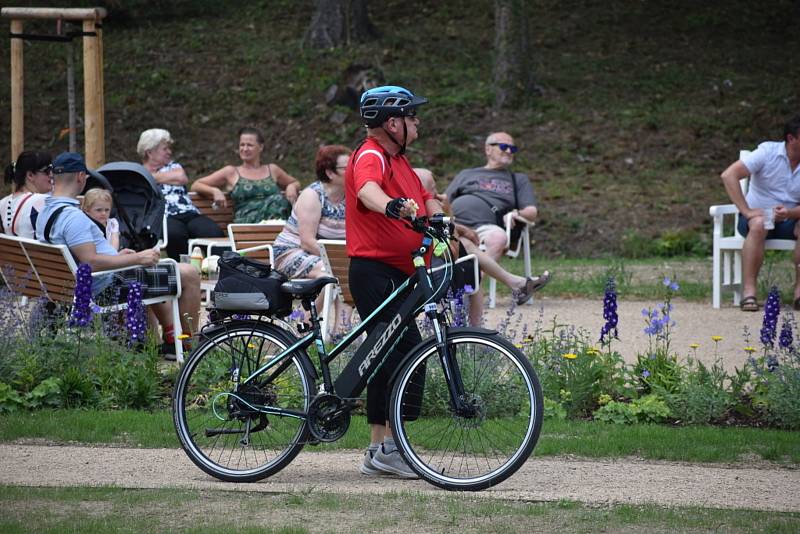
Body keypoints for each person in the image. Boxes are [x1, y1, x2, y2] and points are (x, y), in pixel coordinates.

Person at [346, 85, 442, 479]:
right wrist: (387, 204)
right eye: (411, 116)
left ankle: (379, 448)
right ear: (392, 123)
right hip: (375, 271)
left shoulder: (400, 161)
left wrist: (437, 216)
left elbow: (425, 196)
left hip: (398, 272)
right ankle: (388, 447)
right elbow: (367, 189)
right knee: (403, 354)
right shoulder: (371, 154)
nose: (417, 122)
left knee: (387, 356)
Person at [36, 152, 202, 360]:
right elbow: (92, 263)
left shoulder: (46, 211)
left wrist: (118, 255)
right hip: (106, 286)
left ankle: (166, 340)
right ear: (80, 176)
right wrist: (137, 258)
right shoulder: (73, 218)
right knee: (188, 273)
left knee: (156, 271)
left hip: (79, 282)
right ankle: (189, 345)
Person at [416, 168, 549, 325]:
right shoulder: (423, 207)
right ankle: (478, 327)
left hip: (481, 228)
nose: (438, 192)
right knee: (470, 262)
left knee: (471, 256)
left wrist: (452, 220)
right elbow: (452, 246)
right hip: (437, 264)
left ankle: (477, 328)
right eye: (434, 188)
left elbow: (448, 235)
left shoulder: (516, 178)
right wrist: (449, 216)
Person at [445, 132, 541, 319]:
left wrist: (516, 213)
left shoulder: (517, 179)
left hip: (485, 227)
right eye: (503, 147)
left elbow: (531, 211)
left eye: (512, 148)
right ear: (488, 149)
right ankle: (511, 285)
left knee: (498, 238)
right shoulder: (466, 174)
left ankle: (467, 290)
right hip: (456, 223)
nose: (509, 152)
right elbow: (444, 199)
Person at [720, 114, 800, 311]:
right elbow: (729, 175)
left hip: (791, 219)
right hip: (755, 217)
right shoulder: (767, 152)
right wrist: (747, 211)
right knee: (757, 224)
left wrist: (790, 213)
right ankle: (749, 292)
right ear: (791, 138)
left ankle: (799, 292)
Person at [272, 145, 350, 329]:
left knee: (348, 272)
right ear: (330, 173)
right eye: (348, 167)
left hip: (321, 255)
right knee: (333, 273)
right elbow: (307, 241)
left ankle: (342, 330)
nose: (354, 169)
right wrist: (336, 258)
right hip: (291, 253)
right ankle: (306, 322)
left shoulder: (351, 197)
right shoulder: (313, 195)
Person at [138, 128, 225, 261]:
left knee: (213, 231)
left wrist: (151, 177)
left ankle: (223, 268)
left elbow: (181, 178)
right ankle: (184, 271)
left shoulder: (173, 166)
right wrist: (164, 177)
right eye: (165, 149)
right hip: (164, 217)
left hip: (189, 213)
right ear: (150, 152)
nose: (170, 152)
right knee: (174, 234)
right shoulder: (138, 172)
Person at [191, 127, 301, 223]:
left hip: (276, 224)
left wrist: (291, 186)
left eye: (249, 145)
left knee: (279, 201)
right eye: (242, 145)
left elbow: (295, 182)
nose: (244, 149)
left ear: (261, 147)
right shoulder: (231, 172)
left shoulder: (272, 169)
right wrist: (215, 191)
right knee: (277, 199)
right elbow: (196, 184)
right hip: (246, 225)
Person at [1, 151, 53, 238]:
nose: (51, 175)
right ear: (30, 175)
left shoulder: (2, 203)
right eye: (47, 171)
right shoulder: (42, 201)